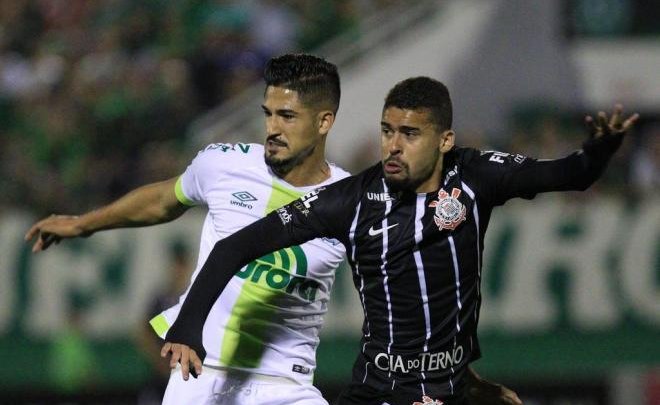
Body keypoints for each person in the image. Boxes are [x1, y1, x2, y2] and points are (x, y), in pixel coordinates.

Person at [25, 57, 518, 405]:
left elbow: (402, 311)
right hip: (203, 377)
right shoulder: (222, 164)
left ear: (324, 122)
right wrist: (84, 223)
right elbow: (162, 199)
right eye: (268, 114)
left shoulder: (356, 200)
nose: (272, 128)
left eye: (287, 116)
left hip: (286, 384)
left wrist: (463, 380)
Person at [160, 77, 638, 405]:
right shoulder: (348, 201)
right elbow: (234, 246)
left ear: (444, 140)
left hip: (450, 385)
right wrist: (188, 325)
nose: (393, 144)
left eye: (409, 133)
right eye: (387, 131)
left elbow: (569, 175)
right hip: (382, 389)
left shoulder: (475, 177)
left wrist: (598, 154)